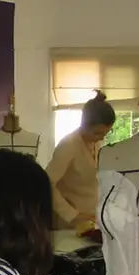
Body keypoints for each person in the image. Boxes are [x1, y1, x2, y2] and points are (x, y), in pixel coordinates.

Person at [46, 90, 116, 229]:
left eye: (106, 133)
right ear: (84, 124)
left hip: (92, 219)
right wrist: (72, 215)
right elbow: (46, 183)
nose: (101, 137)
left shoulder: (96, 143)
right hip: (68, 223)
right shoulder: (68, 145)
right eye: (97, 133)